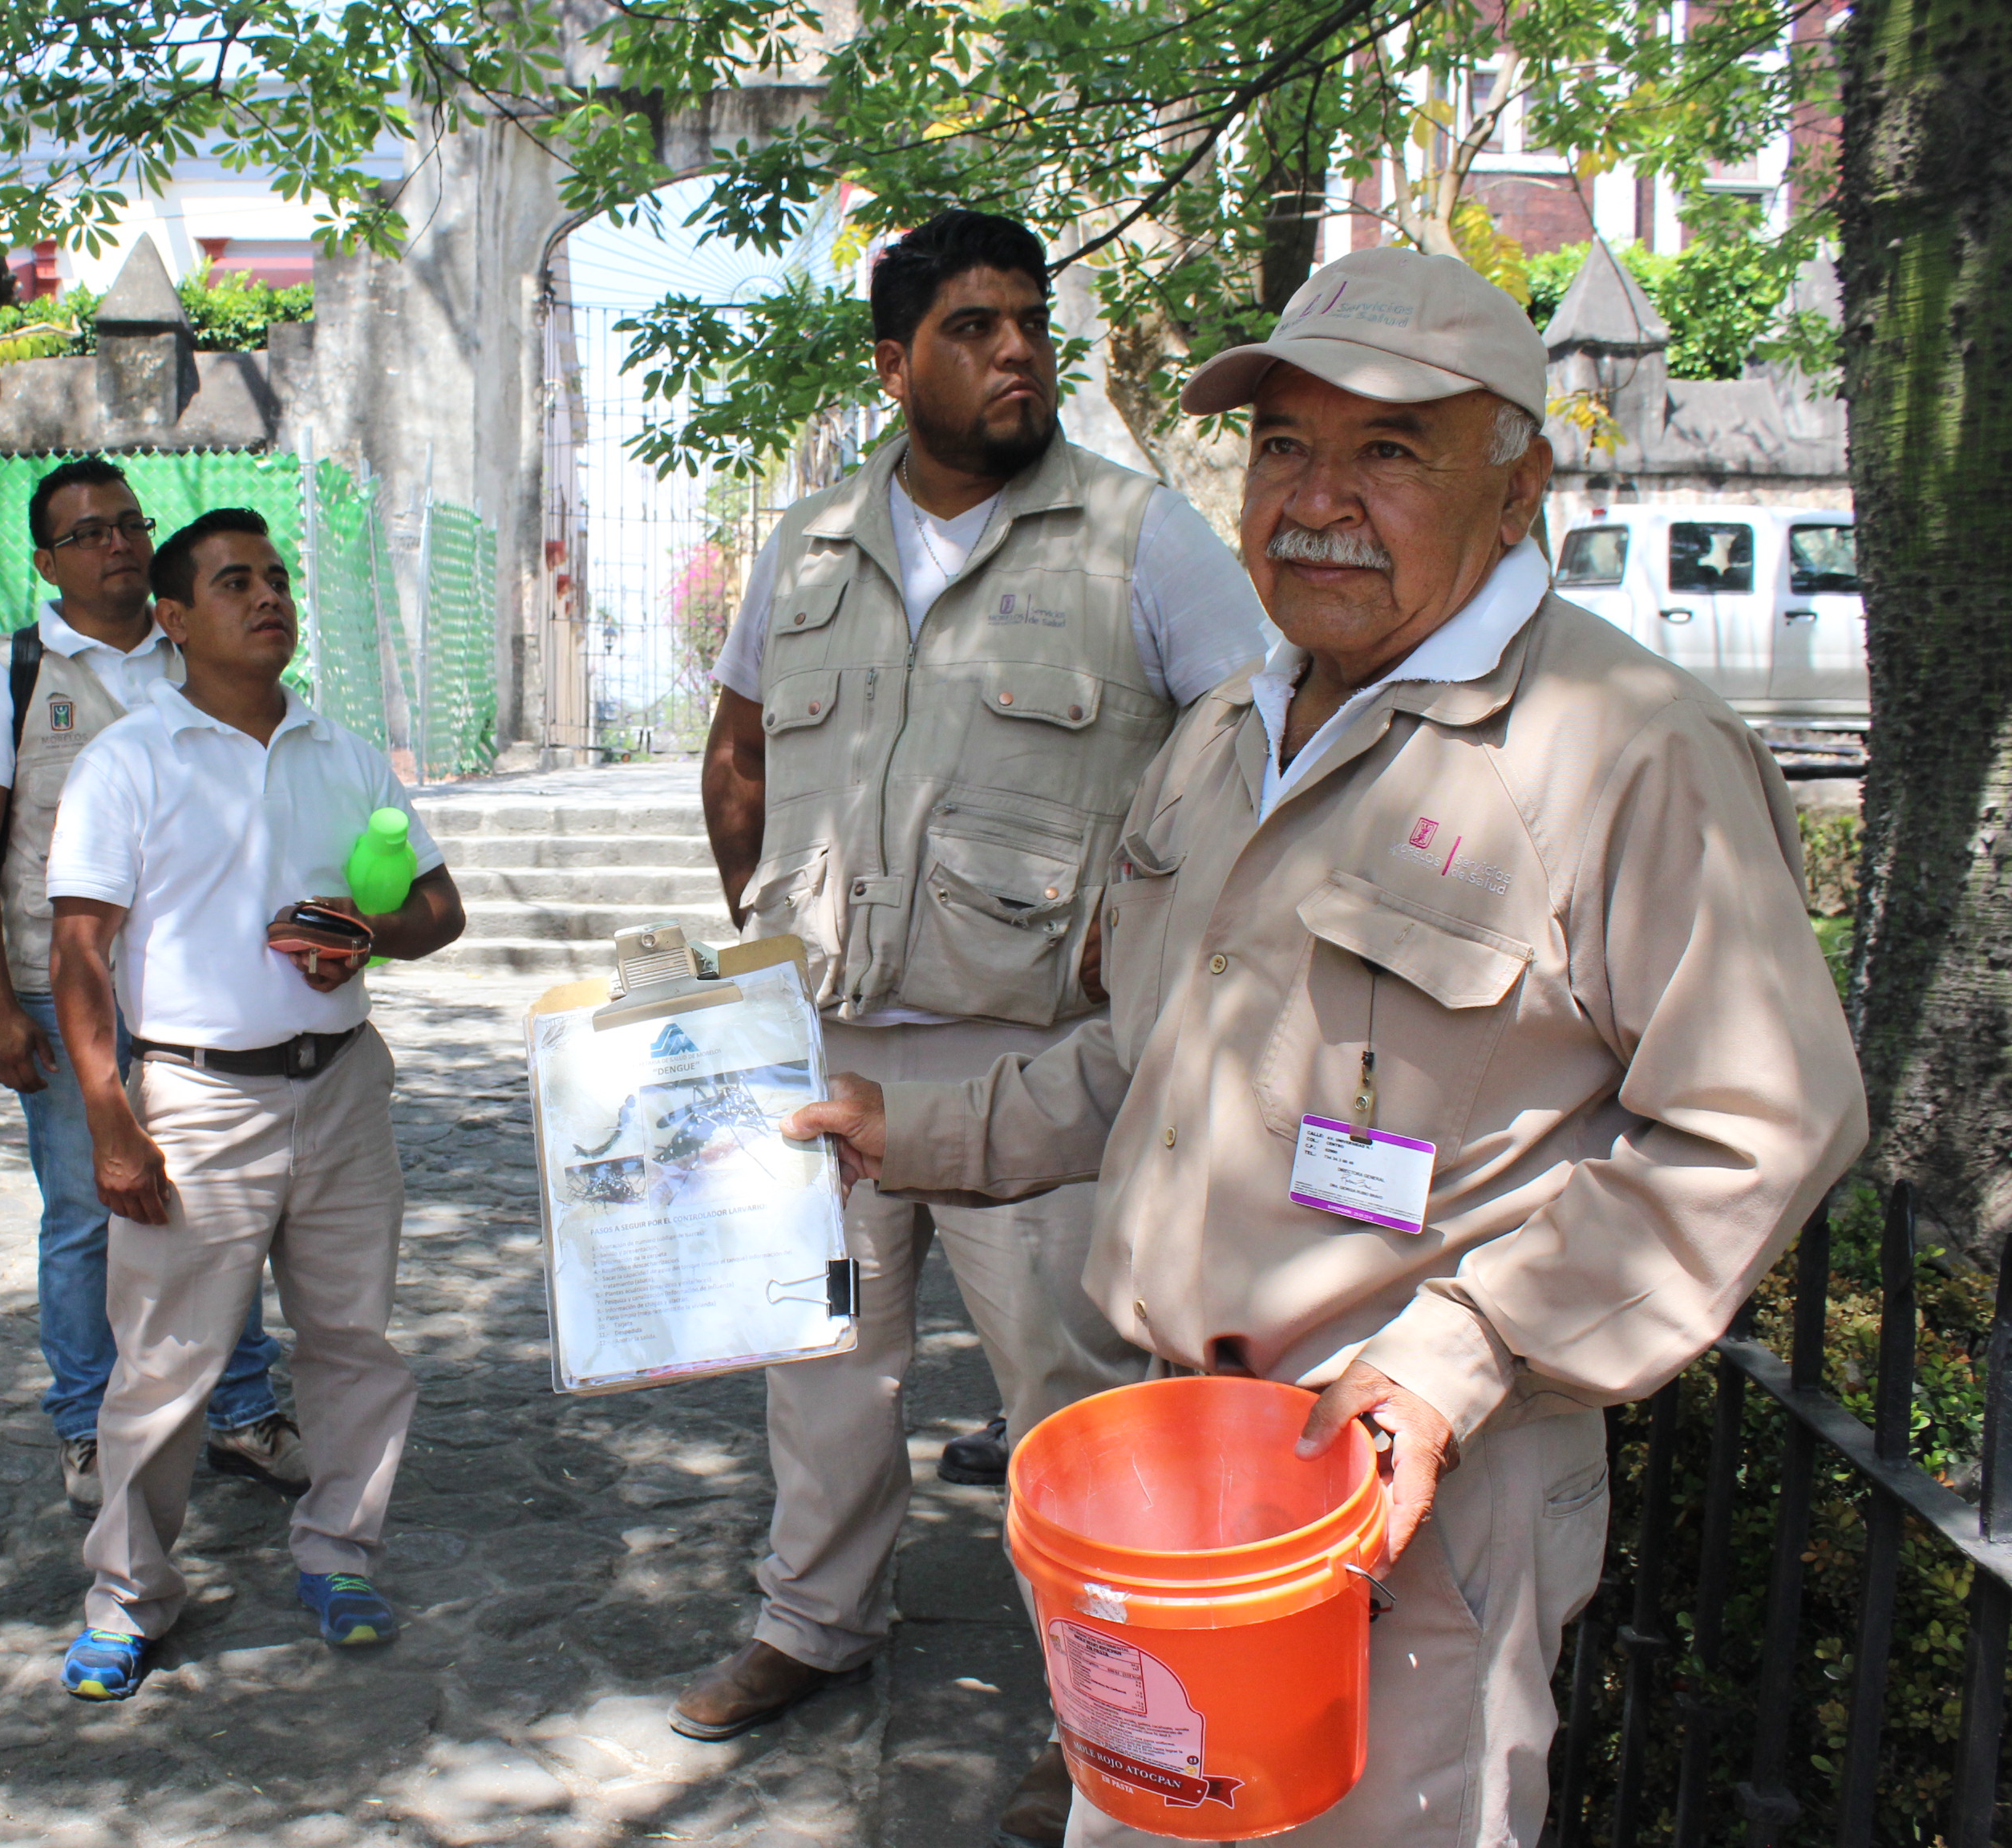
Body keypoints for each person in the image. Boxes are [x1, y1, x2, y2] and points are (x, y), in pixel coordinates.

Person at [788, 245, 1867, 1844]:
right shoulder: (1234, 728)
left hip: (1415, 1497)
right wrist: (898, 1125)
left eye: (1388, 449)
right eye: (1285, 444)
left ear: (1520, 487)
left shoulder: (1628, 750)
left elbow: (1756, 1129)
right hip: (1173, 1480)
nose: (1316, 496)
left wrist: (1455, 1363)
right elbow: (1144, 1067)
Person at [681, 207, 1270, 1841]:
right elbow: (736, 759)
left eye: (1030, 323)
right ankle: (811, 1623)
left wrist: (1141, 930)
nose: (1016, 351)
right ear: (895, 365)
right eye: (973, 328)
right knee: (821, 1373)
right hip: (827, 1053)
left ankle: (1102, 1712)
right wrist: (761, 947)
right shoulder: (804, 546)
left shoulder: (1143, 542)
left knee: (1072, 1407)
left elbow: (1256, 766)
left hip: (1042, 1073)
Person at [40, 507, 465, 1697]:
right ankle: (128, 1595)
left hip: (340, 1089)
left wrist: (363, 938)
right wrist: (109, 1114)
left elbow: (442, 911)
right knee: (165, 1367)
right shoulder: (128, 761)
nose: (268, 596)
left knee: (353, 1346)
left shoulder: (342, 751)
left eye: (276, 577)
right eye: (235, 582)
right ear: (173, 620)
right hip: (194, 1101)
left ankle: (341, 1552)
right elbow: (80, 949)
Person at [0, 456, 306, 1518]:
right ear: (48, 561)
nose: (117, 545)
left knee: (221, 1204)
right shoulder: (7, 679)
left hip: (203, 992)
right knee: (86, 1215)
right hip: (64, 993)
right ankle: (88, 1424)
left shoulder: (196, 658)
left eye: (129, 525)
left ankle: (238, 1408)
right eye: (89, 532)